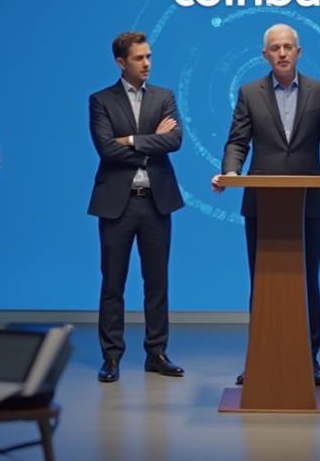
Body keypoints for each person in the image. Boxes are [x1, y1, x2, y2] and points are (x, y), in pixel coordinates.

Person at [212, 23, 320, 386]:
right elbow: (237, 142)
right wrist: (230, 172)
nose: (283, 53)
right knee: (262, 283)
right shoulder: (249, 93)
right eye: (275, 48)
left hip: (308, 204)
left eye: (288, 47)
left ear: (299, 52)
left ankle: (310, 359)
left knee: (308, 281)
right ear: (265, 55)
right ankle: (259, 358)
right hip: (262, 205)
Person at [87, 32, 186, 383]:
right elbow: (106, 149)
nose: (147, 63)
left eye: (149, 56)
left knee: (157, 283)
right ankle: (111, 357)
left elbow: (174, 140)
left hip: (156, 203)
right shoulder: (100, 100)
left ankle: (156, 353)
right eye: (139, 58)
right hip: (118, 204)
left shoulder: (164, 96)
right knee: (113, 283)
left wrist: (129, 140)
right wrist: (151, 143)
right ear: (120, 62)